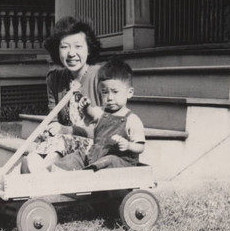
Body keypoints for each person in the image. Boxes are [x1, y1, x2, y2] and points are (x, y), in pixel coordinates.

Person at [21, 16, 102, 173]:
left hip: (94, 146)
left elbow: (108, 128)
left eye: (78, 46)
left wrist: (65, 130)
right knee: (45, 148)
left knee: (60, 143)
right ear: (57, 51)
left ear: (89, 49)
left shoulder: (100, 77)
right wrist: (49, 130)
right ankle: (34, 167)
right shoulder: (55, 79)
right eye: (64, 47)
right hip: (64, 144)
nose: (71, 53)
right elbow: (53, 119)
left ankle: (40, 171)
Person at [54, 57, 145, 171]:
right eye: (105, 93)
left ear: (129, 93)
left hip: (120, 163)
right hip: (96, 157)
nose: (110, 98)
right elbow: (92, 114)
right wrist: (86, 108)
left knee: (109, 160)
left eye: (115, 92)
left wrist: (128, 145)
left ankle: (87, 172)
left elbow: (140, 147)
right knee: (76, 156)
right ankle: (56, 170)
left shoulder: (132, 120)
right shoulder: (102, 112)